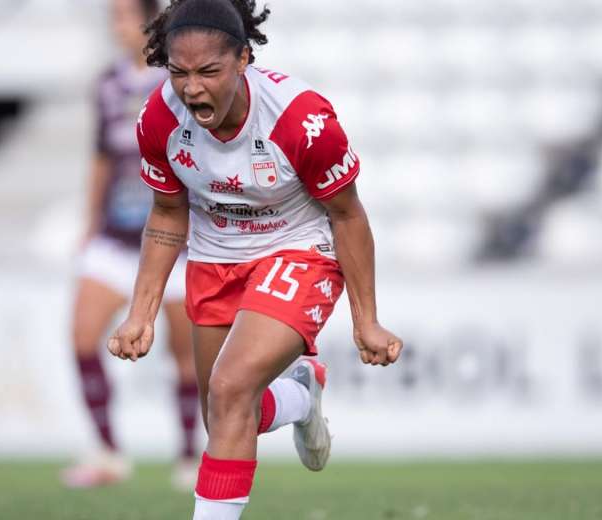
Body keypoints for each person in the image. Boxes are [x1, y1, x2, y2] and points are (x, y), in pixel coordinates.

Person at [106, 0, 404, 518]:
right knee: (223, 413)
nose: (191, 88)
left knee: (230, 387)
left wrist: (367, 321)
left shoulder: (301, 120)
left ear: (243, 58)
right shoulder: (158, 118)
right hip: (214, 257)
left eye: (208, 71)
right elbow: (168, 212)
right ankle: (299, 398)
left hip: (297, 249)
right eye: (178, 72)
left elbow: (348, 215)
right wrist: (141, 313)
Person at [62, 0, 201, 491]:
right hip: (115, 238)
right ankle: (107, 451)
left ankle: (189, 456)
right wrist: (89, 222)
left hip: (176, 242)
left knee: (185, 355)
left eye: (123, 16)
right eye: (113, 18)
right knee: (82, 337)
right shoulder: (107, 84)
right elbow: (102, 156)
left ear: (148, 21)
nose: (116, 26)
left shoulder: (180, 82)